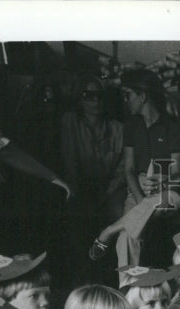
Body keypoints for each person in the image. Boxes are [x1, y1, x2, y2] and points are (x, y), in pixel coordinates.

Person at [102, 69, 180, 267]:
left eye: (129, 95)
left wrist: (163, 183)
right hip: (138, 190)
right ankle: (128, 284)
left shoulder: (173, 127)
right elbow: (129, 170)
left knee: (138, 221)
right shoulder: (131, 126)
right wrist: (140, 199)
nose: (126, 100)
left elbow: (177, 173)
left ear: (143, 96)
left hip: (167, 191)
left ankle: (108, 231)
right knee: (126, 238)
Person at [60, 73, 125, 278]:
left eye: (99, 96)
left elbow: (122, 168)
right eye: (88, 95)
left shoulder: (117, 128)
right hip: (81, 184)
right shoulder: (70, 121)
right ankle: (84, 274)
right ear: (79, 99)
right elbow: (70, 161)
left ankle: (119, 271)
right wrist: (80, 193)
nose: (95, 101)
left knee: (120, 215)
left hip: (111, 185)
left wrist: (107, 193)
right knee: (77, 215)